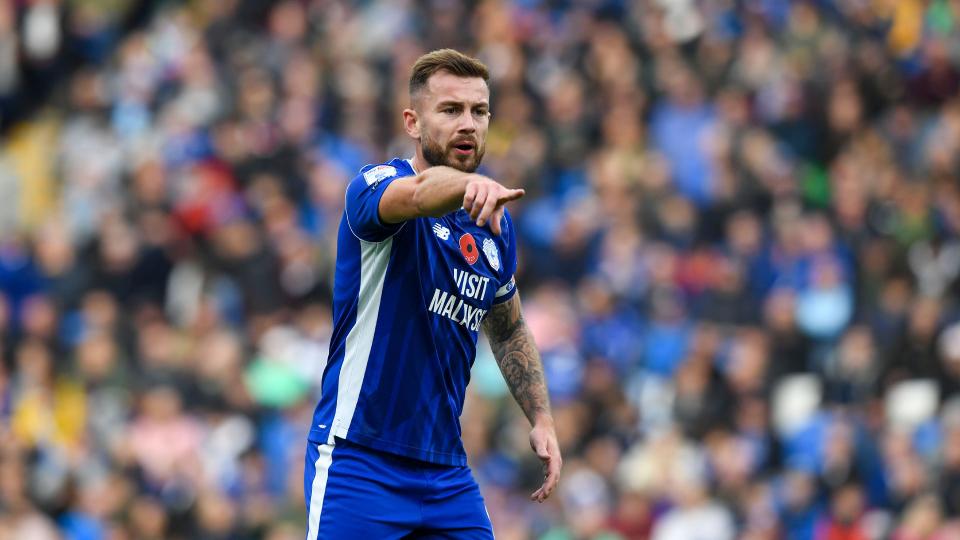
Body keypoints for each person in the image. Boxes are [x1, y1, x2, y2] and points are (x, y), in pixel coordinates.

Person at [303, 49, 562, 539]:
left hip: (445, 475)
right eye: (450, 110)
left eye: (479, 111)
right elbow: (421, 194)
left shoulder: (494, 227)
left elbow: (507, 330)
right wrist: (469, 185)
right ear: (413, 122)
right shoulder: (376, 188)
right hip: (359, 461)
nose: (468, 124)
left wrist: (542, 418)